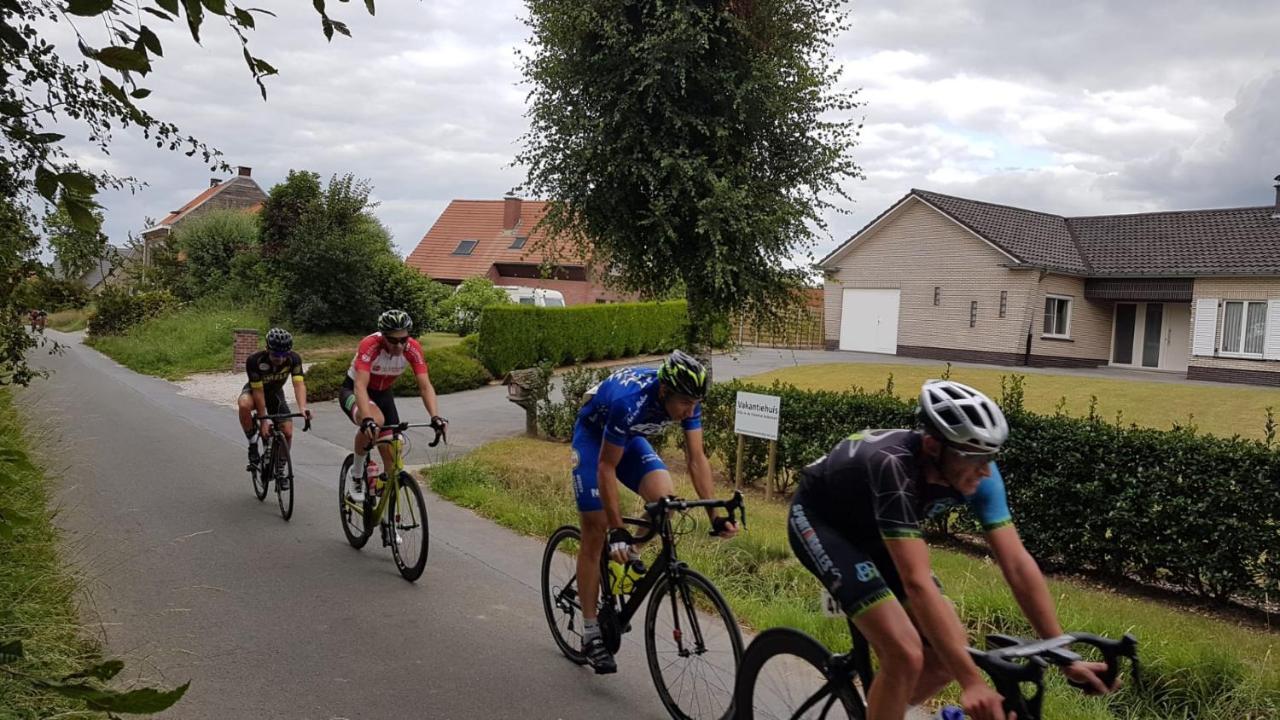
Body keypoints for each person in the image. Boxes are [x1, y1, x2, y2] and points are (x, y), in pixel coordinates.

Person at [788, 380, 1116, 720]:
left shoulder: (980, 474)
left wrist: (1064, 656)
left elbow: (1017, 564)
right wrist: (972, 682)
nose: (985, 469)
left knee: (948, 656)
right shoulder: (894, 467)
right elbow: (916, 582)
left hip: (878, 532)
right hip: (823, 523)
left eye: (990, 455)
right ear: (933, 446)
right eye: (974, 457)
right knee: (905, 654)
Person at [571, 349, 738, 674]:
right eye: (685, 404)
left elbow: (696, 459)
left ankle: (626, 559)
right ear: (664, 392)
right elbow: (606, 467)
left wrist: (715, 515)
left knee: (666, 502)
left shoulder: (686, 399)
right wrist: (616, 528)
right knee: (597, 528)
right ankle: (591, 632)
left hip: (630, 438)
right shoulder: (628, 400)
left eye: (695, 404)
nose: (690, 411)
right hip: (594, 440)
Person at [339, 310, 446, 499]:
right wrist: (368, 420)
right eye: (393, 340)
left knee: (394, 455)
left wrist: (435, 417)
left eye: (403, 339)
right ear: (383, 337)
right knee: (376, 422)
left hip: (383, 395)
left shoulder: (412, 348)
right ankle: (356, 475)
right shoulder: (370, 345)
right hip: (355, 391)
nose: (400, 345)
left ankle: (384, 503)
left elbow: (425, 386)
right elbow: (360, 386)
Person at [237, 327, 310, 489]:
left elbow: (298, 384)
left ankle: (280, 470)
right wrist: (263, 420)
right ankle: (253, 444)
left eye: (284, 354)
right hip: (255, 392)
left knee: (288, 432)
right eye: (276, 355)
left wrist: (303, 408)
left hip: (276, 395)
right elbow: (258, 390)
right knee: (244, 404)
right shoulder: (255, 361)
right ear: (267, 349)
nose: (280, 358)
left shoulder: (294, 359)